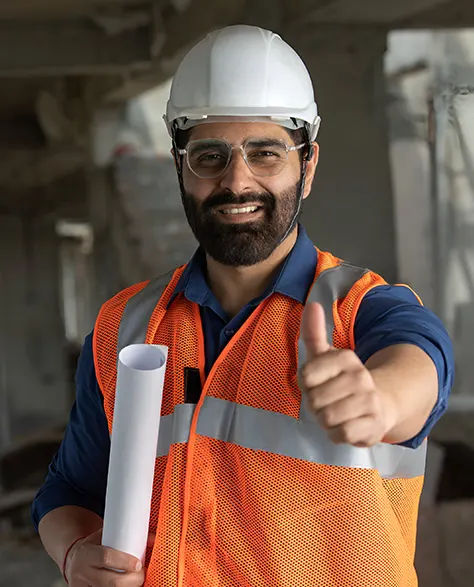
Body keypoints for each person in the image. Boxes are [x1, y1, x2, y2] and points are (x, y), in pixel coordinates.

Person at [33, 25, 453, 587]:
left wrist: (379, 400)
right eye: (210, 156)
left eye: (266, 154)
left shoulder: (361, 309)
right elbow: (70, 491)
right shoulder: (124, 326)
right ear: (180, 167)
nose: (237, 181)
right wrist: (74, 552)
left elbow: (423, 359)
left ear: (308, 166)